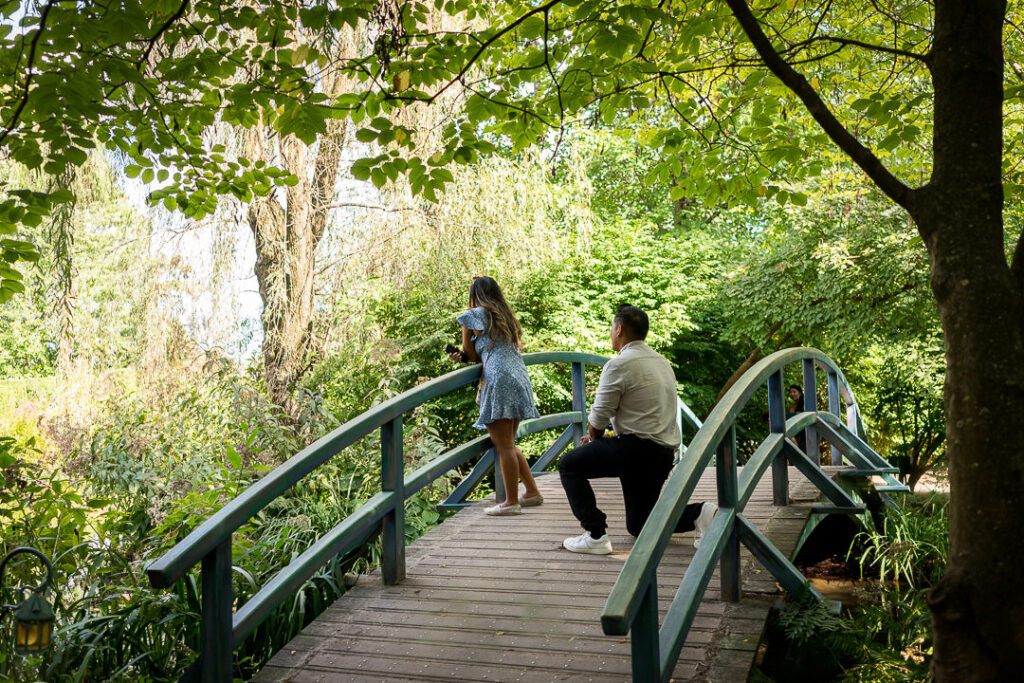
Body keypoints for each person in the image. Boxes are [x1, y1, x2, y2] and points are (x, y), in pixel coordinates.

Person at [558, 305, 717, 554]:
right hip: (662, 452)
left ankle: (595, 534)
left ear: (619, 329)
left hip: (637, 450)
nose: (611, 333)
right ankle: (700, 513)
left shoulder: (619, 364)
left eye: (612, 328)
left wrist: (593, 437)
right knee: (641, 524)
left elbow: (598, 418)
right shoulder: (661, 361)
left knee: (569, 465)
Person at [449, 276, 543, 516]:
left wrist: (462, 356)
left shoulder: (471, 316)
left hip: (498, 379)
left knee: (504, 446)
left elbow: (472, 354)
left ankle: (511, 502)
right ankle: (532, 492)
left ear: (474, 295)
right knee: (508, 444)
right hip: (519, 376)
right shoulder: (506, 315)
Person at [786, 384, 808, 452]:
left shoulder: (805, 404)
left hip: (803, 433)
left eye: (794, 392)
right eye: (790, 392)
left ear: (800, 393)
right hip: (793, 433)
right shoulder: (791, 407)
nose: (792, 394)